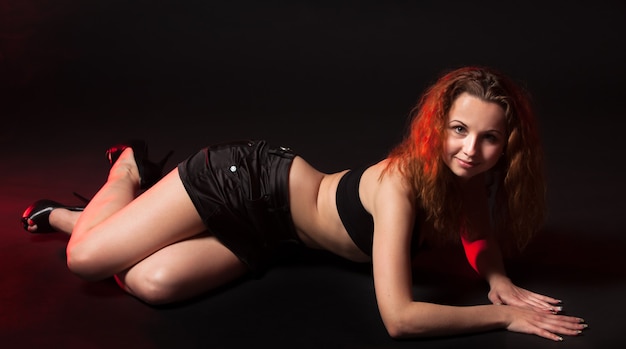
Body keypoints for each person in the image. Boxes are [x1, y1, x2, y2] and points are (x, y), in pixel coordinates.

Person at [21, 66, 587, 341]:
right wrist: (505, 315)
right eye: (459, 129)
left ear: (507, 145)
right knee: (84, 262)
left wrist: (497, 277)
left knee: (151, 284)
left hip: (275, 237)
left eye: (489, 138)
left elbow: (477, 231)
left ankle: (85, 218)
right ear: (438, 124)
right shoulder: (402, 183)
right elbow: (400, 318)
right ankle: (129, 167)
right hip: (244, 181)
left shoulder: (468, 175)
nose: (471, 149)